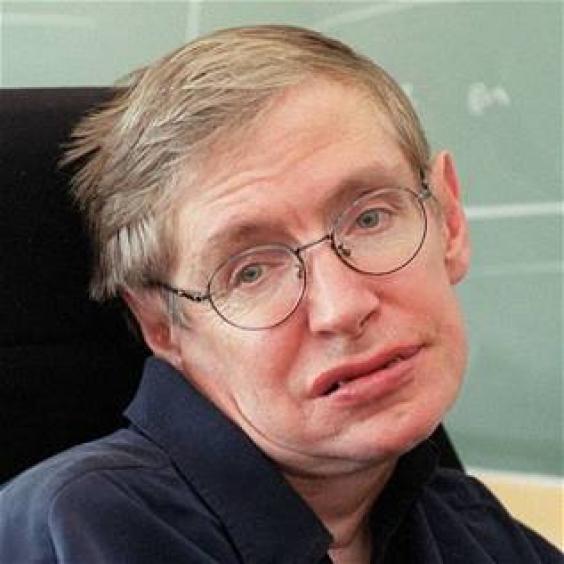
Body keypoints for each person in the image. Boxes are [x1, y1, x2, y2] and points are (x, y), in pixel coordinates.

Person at [0, 25, 561, 564]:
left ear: (449, 220)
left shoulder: (473, 531)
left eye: (369, 218)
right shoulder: (74, 535)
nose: (343, 307)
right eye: (250, 272)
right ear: (163, 326)